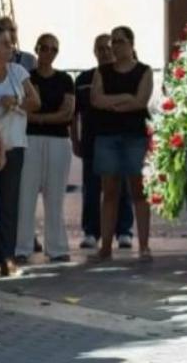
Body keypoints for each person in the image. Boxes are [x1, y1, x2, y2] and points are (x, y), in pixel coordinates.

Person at [0, 24, 40, 277]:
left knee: (9, 201)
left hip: (15, 144)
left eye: (10, 43)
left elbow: (35, 102)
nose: (10, 48)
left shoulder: (17, 71)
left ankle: (8, 256)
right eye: (4, 43)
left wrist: (16, 101)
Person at [90, 27, 153, 261]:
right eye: (113, 42)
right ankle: (106, 246)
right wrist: (125, 98)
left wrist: (113, 103)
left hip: (135, 136)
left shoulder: (144, 71)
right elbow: (96, 99)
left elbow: (140, 101)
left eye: (120, 41)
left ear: (131, 44)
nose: (115, 46)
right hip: (107, 136)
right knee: (110, 192)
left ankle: (144, 246)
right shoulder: (102, 71)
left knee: (139, 191)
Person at [16, 33, 74, 263]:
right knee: (26, 194)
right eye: (45, 47)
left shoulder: (65, 79)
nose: (48, 52)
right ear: (37, 49)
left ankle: (57, 248)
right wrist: (46, 117)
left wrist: (38, 117)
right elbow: (21, 109)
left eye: (53, 49)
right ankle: (22, 247)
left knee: (55, 196)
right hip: (30, 140)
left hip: (58, 141)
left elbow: (67, 112)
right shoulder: (26, 77)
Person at [73, 34, 133, 251]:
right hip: (92, 142)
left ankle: (124, 231)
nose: (105, 52)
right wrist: (75, 140)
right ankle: (91, 232)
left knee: (122, 188)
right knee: (91, 188)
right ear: (94, 52)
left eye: (108, 48)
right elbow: (74, 114)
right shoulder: (83, 80)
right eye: (100, 49)